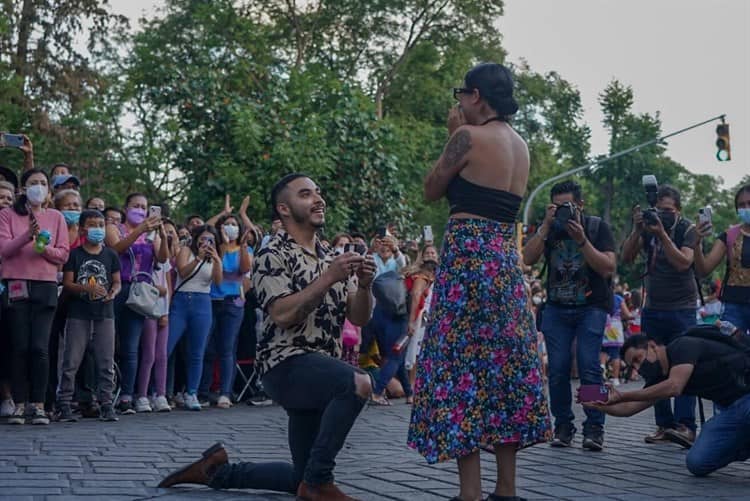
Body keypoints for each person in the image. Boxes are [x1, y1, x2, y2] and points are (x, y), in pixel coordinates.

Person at [158, 174, 376, 501]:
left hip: (321, 367)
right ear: (284, 209)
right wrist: (328, 278)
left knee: (298, 479)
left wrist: (366, 285)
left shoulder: (330, 253)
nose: (318, 199)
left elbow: (358, 317)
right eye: (306, 194)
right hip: (285, 364)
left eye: (318, 193)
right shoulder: (273, 252)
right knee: (359, 383)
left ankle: (215, 472)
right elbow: (282, 314)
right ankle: (319, 482)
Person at [409, 63, 551, 501]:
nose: (458, 103)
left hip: (468, 261)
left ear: (476, 96)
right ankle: (506, 489)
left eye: (461, 94)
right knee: (503, 369)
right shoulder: (521, 145)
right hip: (504, 263)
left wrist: (452, 133)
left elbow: (432, 189)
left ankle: (470, 492)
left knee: (459, 370)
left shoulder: (467, 136)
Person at [522, 180, 617, 451]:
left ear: (581, 205)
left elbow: (608, 267)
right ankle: (563, 424)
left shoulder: (597, 227)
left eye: (569, 206)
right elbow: (527, 259)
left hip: (591, 308)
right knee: (559, 369)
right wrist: (545, 226)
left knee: (589, 366)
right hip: (557, 308)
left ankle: (594, 426)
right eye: (558, 206)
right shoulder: (550, 230)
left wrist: (582, 240)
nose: (564, 211)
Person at [584, 329, 750, 476]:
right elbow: (629, 408)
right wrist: (601, 404)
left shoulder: (683, 346)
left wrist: (622, 396)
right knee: (698, 462)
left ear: (652, 346)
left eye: (638, 358)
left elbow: (674, 387)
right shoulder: (660, 378)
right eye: (633, 365)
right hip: (733, 410)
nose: (638, 367)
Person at [622, 184, 699, 446]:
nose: (662, 215)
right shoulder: (647, 227)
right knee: (654, 369)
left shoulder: (687, 228)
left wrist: (663, 234)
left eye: (667, 211)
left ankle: (686, 426)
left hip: (683, 309)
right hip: (653, 309)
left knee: (683, 367)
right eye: (658, 211)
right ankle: (664, 426)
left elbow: (684, 263)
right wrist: (637, 229)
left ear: (678, 210)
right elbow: (627, 257)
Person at [0, 169, 70, 425]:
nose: (38, 187)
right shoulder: (7, 215)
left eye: (42, 183)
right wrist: (27, 235)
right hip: (17, 283)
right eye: (33, 183)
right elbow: (5, 249)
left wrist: (44, 248)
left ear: (49, 192)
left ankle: (38, 404)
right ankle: (19, 404)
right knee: (20, 346)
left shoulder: (56, 217)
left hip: (46, 285)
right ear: (22, 189)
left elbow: (63, 255)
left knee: (40, 347)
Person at [105, 193, 168, 414]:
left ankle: (127, 396)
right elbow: (116, 249)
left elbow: (162, 258)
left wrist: (161, 235)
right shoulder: (115, 228)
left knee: (132, 347)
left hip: (140, 292)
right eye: (136, 206)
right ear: (126, 208)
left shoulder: (152, 234)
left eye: (144, 207)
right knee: (107, 343)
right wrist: (139, 230)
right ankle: (103, 392)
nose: (141, 210)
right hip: (117, 288)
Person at [57, 210, 121, 422]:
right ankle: (64, 403)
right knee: (71, 360)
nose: (98, 229)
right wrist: (85, 289)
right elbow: (67, 283)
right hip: (79, 314)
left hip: (105, 313)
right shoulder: (75, 255)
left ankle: (106, 403)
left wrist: (112, 292)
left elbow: (117, 281)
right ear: (83, 228)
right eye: (93, 225)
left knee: (106, 360)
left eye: (101, 225)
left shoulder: (110, 254)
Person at [198, 212, 253, 409]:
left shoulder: (244, 249)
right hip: (212, 299)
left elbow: (244, 269)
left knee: (227, 348)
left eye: (233, 224)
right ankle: (203, 392)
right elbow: (215, 264)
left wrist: (244, 247)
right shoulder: (216, 248)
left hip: (233, 303)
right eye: (226, 224)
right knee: (207, 347)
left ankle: (225, 392)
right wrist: (221, 239)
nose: (231, 227)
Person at [165, 225, 223, 410]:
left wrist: (216, 261)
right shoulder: (186, 251)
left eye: (211, 240)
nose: (206, 243)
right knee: (167, 348)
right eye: (203, 238)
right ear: (197, 238)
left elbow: (218, 281)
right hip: (182, 300)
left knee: (197, 352)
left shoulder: (214, 257)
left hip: (203, 301)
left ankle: (192, 392)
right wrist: (198, 257)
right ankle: (156, 391)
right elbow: (182, 271)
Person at [694, 184, 750, 335]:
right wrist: (697, 242)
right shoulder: (729, 235)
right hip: (734, 307)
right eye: (742, 205)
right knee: (731, 352)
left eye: (749, 203)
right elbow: (704, 269)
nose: (746, 208)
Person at [0, 181, 15, 418]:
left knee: (7, 345)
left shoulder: (17, 224)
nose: (5, 202)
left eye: (9, 198)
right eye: (0, 197)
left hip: (9, 288)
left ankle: (7, 397)